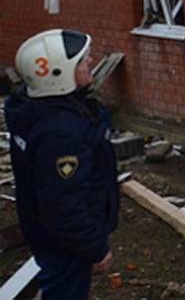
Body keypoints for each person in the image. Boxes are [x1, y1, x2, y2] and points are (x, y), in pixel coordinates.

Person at [5, 29, 118, 299]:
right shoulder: (61, 133)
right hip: (65, 246)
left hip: (48, 236)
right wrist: (94, 247)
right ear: (58, 76)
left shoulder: (34, 109)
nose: (90, 61)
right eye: (82, 61)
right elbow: (64, 206)